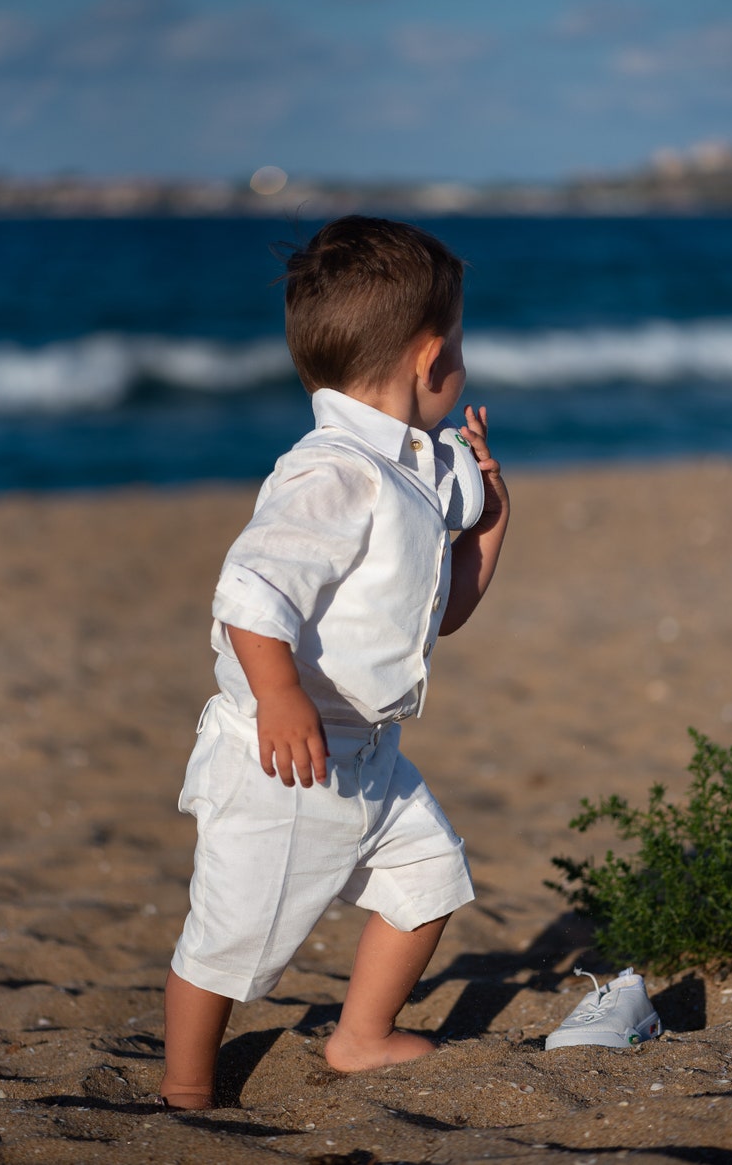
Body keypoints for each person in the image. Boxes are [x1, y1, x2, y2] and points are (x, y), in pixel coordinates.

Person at [160, 215, 510, 1109]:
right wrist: (279, 697)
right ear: (431, 363)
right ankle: (187, 1085)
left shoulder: (410, 475)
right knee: (230, 940)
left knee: (431, 880)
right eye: (460, 343)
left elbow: (442, 620)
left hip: (369, 753)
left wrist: (489, 532)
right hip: (286, 761)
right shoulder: (332, 474)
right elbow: (249, 590)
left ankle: (359, 1037)